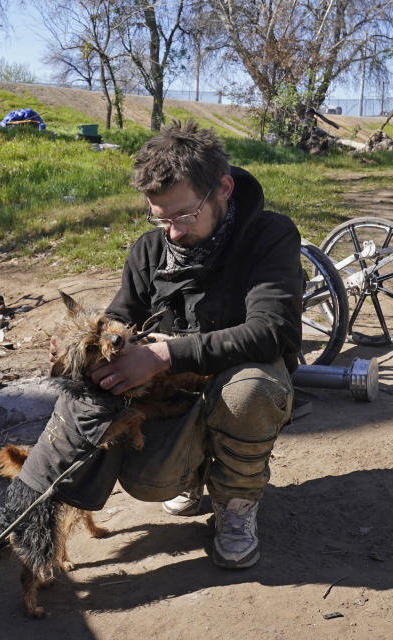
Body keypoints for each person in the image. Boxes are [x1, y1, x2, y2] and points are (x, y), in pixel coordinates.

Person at [90, 121, 303, 569]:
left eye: (184, 216)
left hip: (241, 378)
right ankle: (195, 473)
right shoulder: (150, 250)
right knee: (147, 481)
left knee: (251, 393)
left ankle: (237, 503)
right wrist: (96, 343)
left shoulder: (270, 237)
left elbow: (273, 331)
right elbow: (121, 316)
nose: (172, 232)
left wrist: (164, 354)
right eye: (160, 218)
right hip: (176, 391)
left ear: (223, 189)